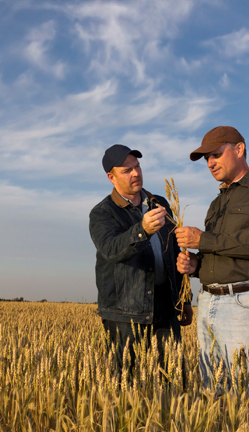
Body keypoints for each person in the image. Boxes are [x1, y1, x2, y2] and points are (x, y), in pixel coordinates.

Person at [174, 126, 249, 386]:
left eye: (215, 154)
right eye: (206, 159)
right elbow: (223, 252)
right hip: (208, 303)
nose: (210, 163)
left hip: (246, 304)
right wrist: (196, 265)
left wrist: (202, 239)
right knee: (212, 392)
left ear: (239, 149)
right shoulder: (217, 203)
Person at [88, 144, 193, 379]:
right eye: (126, 170)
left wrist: (185, 298)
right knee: (127, 384)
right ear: (111, 177)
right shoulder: (103, 213)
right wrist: (142, 230)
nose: (135, 173)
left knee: (173, 381)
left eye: (137, 167)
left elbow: (175, 252)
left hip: (165, 308)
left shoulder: (160, 204)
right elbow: (111, 250)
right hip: (126, 314)